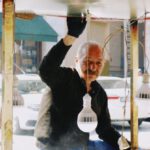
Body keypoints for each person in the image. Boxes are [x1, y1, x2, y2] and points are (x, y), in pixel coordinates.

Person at [38, 14, 130, 150]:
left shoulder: (99, 93)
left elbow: (104, 129)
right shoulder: (65, 79)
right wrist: (70, 38)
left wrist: (122, 142)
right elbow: (46, 69)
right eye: (87, 61)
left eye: (98, 63)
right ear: (77, 60)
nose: (93, 67)